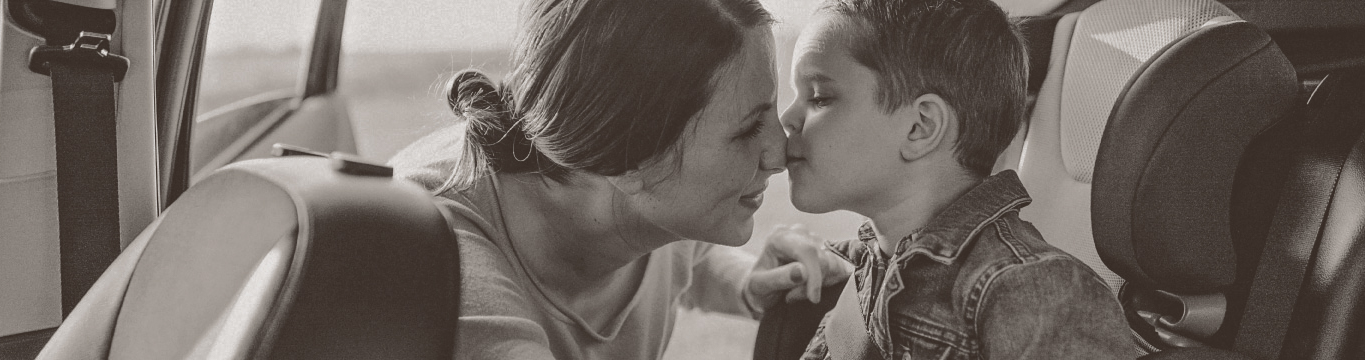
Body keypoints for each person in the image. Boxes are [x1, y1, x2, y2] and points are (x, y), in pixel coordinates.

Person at [388, 0, 850, 359]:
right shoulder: (443, 261)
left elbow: (680, 254)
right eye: (748, 128)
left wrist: (746, 281)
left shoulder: (638, 195)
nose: (782, 152)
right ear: (629, 158)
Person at [775, 0, 1138, 358]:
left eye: (820, 97)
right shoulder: (863, 279)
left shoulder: (1038, 295)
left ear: (921, 127)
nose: (787, 118)